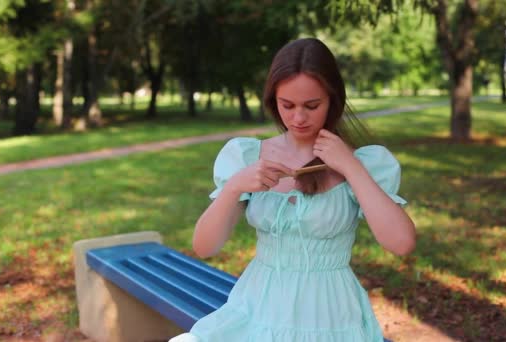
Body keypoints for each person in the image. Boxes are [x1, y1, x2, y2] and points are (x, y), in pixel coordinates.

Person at [170, 37, 416, 342]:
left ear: (332, 100)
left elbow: (402, 243)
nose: (298, 118)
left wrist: (351, 167)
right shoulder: (247, 156)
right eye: (287, 105)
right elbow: (204, 248)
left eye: (312, 106)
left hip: (329, 312)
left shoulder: (363, 162)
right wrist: (234, 187)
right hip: (259, 305)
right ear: (273, 100)